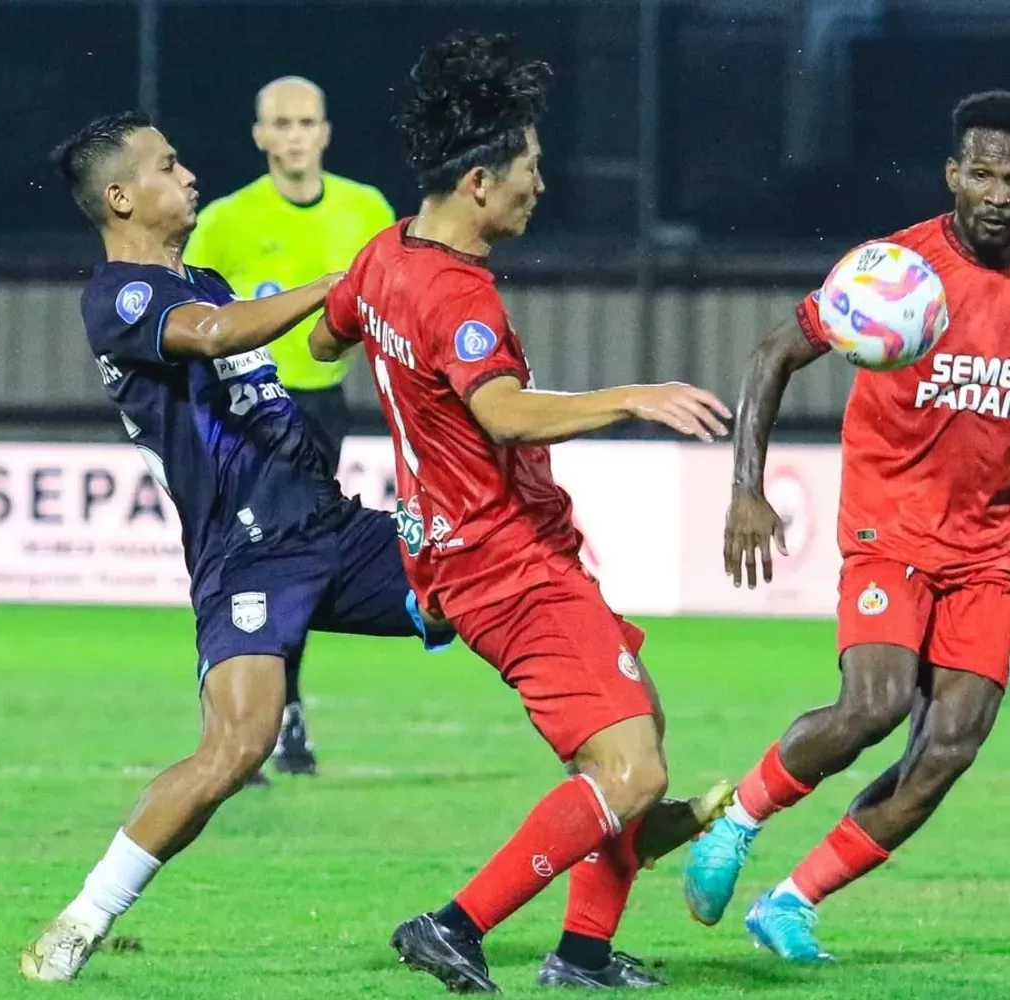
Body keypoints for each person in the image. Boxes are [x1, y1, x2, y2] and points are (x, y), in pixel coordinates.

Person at [308, 32, 734, 991]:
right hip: (507, 562)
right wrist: (633, 397)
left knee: (637, 738)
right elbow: (497, 409)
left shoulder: (382, 256)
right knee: (632, 775)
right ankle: (452, 925)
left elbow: (333, 340)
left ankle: (581, 954)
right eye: (528, 172)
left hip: (462, 559)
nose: (539, 186)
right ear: (476, 183)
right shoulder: (460, 296)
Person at [21, 111, 450, 983]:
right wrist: (343, 285)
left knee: (495, 588)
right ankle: (83, 919)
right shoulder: (121, 298)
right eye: (166, 164)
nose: (186, 173)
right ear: (119, 196)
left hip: (331, 525)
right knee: (238, 747)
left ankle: (612, 824)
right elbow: (217, 335)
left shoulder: (206, 277)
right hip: (248, 558)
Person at [682, 91, 1010, 960]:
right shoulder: (890, 271)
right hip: (890, 526)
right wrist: (745, 490)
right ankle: (738, 820)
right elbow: (774, 352)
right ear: (953, 173)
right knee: (872, 707)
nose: (996, 191)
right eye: (980, 172)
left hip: (986, 548)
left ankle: (793, 901)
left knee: (951, 744)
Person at [184, 76, 398, 777]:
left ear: (326, 133)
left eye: (308, 121)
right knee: (242, 556)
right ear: (261, 136)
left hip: (322, 408)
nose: (296, 134)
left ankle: (279, 711)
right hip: (246, 416)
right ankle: (250, 716)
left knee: (288, 558)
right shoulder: (226, 219)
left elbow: (393, 308)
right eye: (282, 122)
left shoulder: (365, 208)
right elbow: (193, 312)